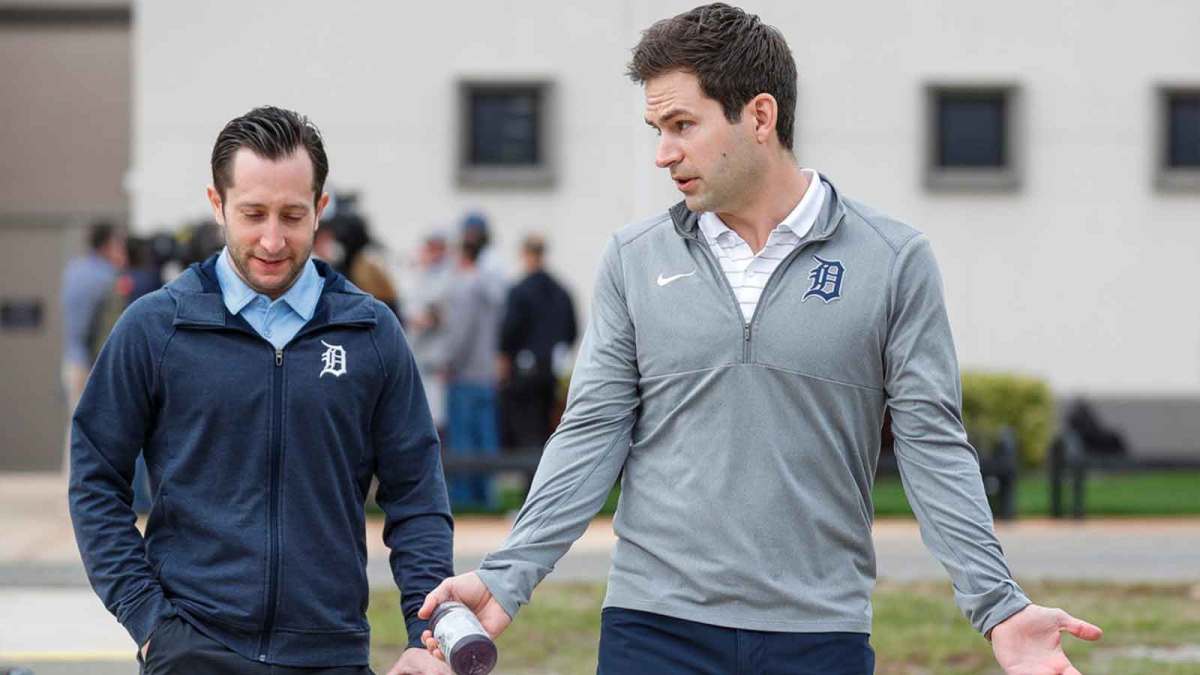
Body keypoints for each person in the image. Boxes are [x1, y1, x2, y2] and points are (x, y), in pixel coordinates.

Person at [419, 5, 1101, 674]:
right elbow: (591, 431)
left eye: (682, 125)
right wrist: (509, 573)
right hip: (653, 627)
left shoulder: (892, 260)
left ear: (760, 116)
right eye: (657, 128)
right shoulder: (634, 257)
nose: (663, 154)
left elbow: (934, 445)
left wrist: (998, 605)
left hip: (819, 632)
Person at [69, 106, 452, 675]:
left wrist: (427, 635)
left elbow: (417, 496)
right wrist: (150, 623)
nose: (272, 240)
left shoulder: (372, 333)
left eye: (292, 215)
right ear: (217, 203)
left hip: (331, 652)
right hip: (193, 648)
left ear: (320, 209)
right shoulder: (156, 328)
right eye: (253, 214)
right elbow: (95, 477)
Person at [498, 235, 577, 471]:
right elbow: (571, 331)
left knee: (526, 433)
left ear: (525, 254)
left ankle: (529, 494)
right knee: (546, 431)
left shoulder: (520, 290)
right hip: (550, 371)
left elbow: (509, 331)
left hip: (524, 372)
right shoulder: (561, 290)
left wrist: (504, 360)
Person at [440, 236, 504, 510]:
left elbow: (461, 332)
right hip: (486, 371)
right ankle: (489, 497)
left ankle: (466, 498)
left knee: (463, 439)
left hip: (465, 373)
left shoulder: (465, 286)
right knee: (486, 436)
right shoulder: (491, 287)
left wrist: (449, 362)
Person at [59, 220, 127, 471]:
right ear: (108, 244)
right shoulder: (107, 276)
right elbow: (104, 325)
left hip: (72, 357)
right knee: (96, 429)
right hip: (93, 361)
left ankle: (70, 485)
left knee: (75, 423)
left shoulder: (74, 270)